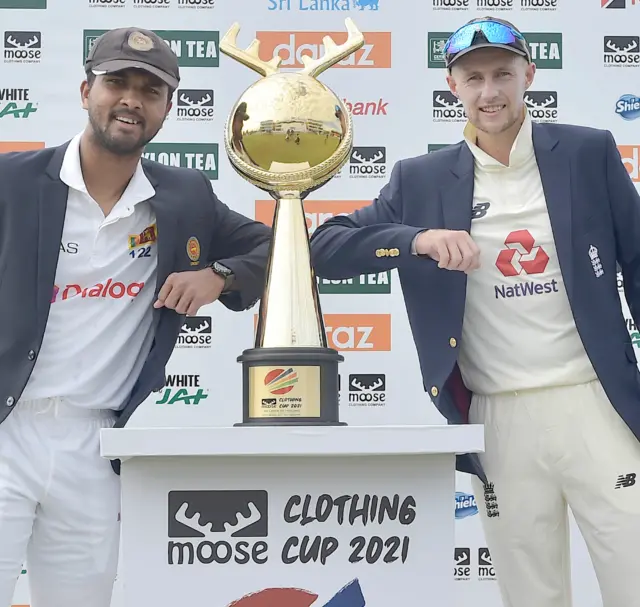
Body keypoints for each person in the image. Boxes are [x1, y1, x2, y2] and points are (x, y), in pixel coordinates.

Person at [310, 16, 640, 607]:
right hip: (497, 416)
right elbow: (324, 248)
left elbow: (638, 261)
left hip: (596, 403)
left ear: (528, 76)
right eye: (474, 78)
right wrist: (416, 240)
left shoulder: (587, 151)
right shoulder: (422, 179)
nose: (490, 92)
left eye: (503, 75)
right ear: (452, 86)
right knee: (531, 594)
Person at [0, 27, 271, 607]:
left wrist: (219, 275)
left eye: (151, 90)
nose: (131, 99)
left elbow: (282, 246)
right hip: (6, 428)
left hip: (96, 443)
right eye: (116, 82)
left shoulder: (185, 197)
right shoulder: (12, 182)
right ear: (84, 91)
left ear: (168, 109)